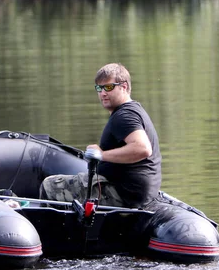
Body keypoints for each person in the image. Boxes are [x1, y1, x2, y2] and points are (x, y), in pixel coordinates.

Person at [40, 63, 162, 209]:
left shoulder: (124, 116)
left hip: (125, 194)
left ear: (123, 87)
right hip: (133, 191)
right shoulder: (132, 110)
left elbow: (143, 149)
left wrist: (101, 155)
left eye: (108, 87)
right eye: (99, 88)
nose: (103, 93)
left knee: (49, 185)